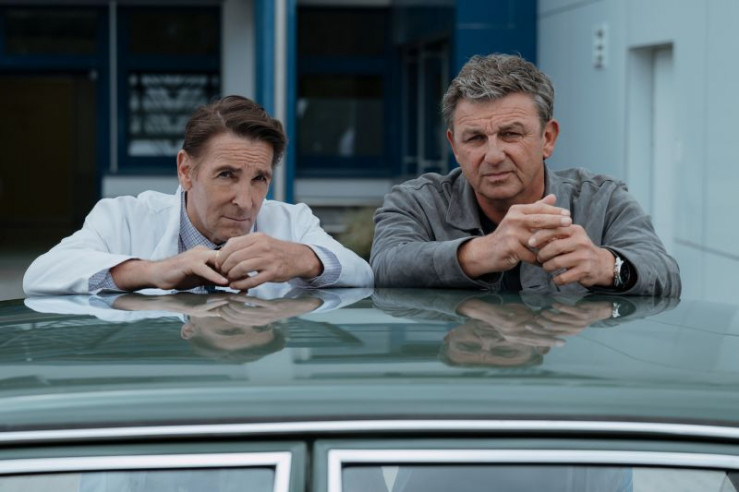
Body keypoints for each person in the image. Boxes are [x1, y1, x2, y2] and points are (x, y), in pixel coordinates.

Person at [371, 54, 681, 296]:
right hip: (463, 360)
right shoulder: (417, 202)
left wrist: (606, 265)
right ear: (454, 146)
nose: (493, 155)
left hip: (567, 359)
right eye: (475, 138)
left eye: (510, 134)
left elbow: (666, 275)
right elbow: (384, 267)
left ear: (548, 138)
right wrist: (482, 252)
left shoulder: (602, 199)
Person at [24, 95, 373, 295]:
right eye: (226, 175)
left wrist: (301, 259)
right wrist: (152, 272)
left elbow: (363, 274)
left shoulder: (291, 223)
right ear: (185, 170)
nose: (246, 201)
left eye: (259, 179)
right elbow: (40, 275)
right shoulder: (125, 217)